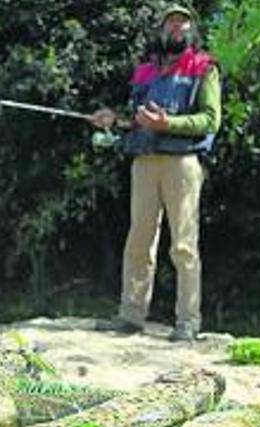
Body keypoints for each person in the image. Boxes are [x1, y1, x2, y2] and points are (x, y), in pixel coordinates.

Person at [91, 4, 222, 342]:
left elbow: (211, 120)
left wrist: (168, 124)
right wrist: (111, 119)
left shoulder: (204, 67)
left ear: (192, 30)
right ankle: (131, 316)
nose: (177, 27)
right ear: (162, 30)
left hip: (183, 163)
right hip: (144, 161)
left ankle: (187, 323)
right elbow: (132, 118)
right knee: (138, 241)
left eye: (183, 22)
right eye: (171, 22)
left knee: (183, 245)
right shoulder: (144, 72)